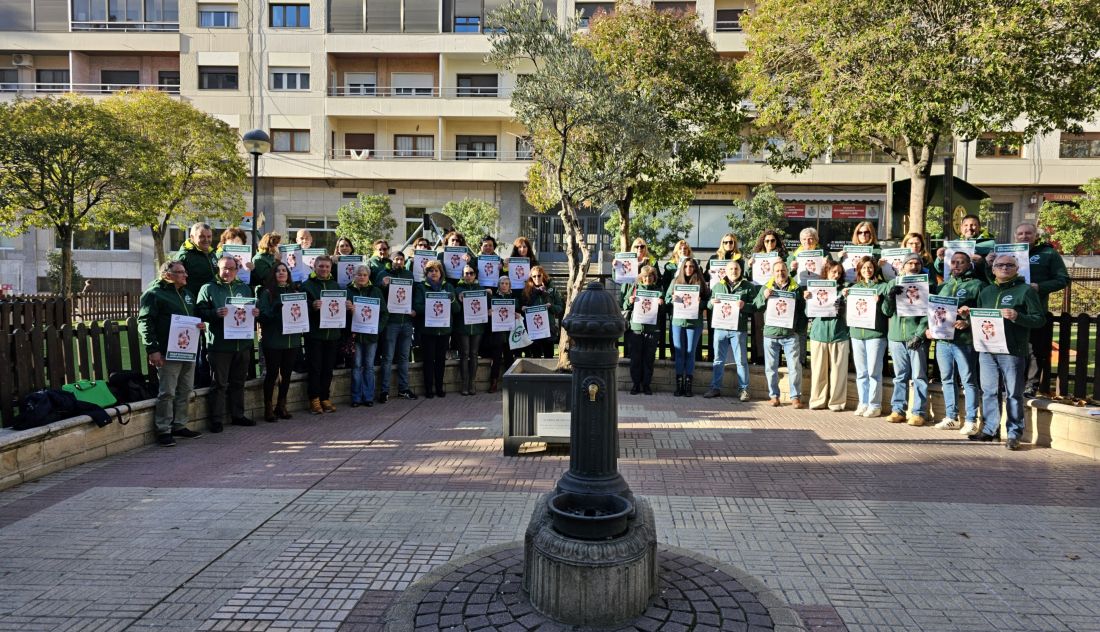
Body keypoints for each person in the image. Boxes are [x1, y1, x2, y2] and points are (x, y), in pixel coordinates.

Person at [964, 254, 1046, 450]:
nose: (1005, 268)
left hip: (1012, 351)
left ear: (1017, 269)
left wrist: (1018, 316)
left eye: (1010, 265)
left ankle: (1013, 434)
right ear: (993, 269)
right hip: (987, 350)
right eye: (1000, 265)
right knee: (989, 392)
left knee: (1013, 394)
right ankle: (990, 431)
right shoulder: (987, 291)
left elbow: (1039, 319)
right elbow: (981, 320)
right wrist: (968, 317)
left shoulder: (1025, 291)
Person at [138, 261, 204, 446]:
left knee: (185, 389)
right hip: (168, 352)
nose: (185, 275)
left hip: (187, 350)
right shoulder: (154, 294)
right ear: (167, 274)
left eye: (185, 271)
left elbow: (194, 317)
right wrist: (153, 349)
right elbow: (144, 322)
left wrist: (200, 325)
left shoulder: (187, 294)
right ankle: (163, 430)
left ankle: (179, 425)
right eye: (180, 272)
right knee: (167, 391)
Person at [195, 255, 259, 433]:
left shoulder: (244, 288)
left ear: (237, 270)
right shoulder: (208, 288)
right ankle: (216, 419)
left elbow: (250, 310)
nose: (227, 272)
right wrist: (215, 313)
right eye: (224, 268)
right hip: (220, 345)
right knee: (219, 384)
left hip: (242, 343)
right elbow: (199, 311)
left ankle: (237, 415)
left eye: (231, 269)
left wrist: (255, 311)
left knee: (239, 382)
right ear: (218, 269)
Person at [1006, 222, 1069, 397]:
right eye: (1020, 234)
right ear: (1015, 237)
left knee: (1035, 350)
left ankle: (1031, 385)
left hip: (1035, 310)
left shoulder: (1048, 253)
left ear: (1036, 235)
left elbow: (1063, 279)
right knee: (1013, 347)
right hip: (1010, 309)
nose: (1024, 236)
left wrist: (1039, 287)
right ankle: (1012, 383)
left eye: (1028, 233)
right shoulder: (1008, 253)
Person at [929, 251, 986, 432]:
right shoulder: (943, 285)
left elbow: (985, 312)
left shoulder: (978, 286)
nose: (957, 265)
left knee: (968, 380)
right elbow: (934, 310)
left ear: (969, 265)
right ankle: (951, 417)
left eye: (961, 262)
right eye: (954, 262)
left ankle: (971, 420)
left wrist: (967, 321)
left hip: (964, 341)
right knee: (947, 379)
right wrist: (930, 328)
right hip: (943, 341)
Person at [882, 252, 935, 426]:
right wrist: (890, 297)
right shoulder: (893, 283)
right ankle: (898, 409)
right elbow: (886, 312)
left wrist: (919, 334)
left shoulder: (926, 285)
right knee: (900, 376)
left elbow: (929, 312)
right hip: (896, 336)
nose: (913, 267)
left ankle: (919, 412)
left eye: (917, 264)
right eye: (909, 263)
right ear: (902, 266)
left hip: (916, 336)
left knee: (919, 375)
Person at [753, 259, 805, 407]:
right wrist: (764, 296)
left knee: (794, 367)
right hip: (771, 334)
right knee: (770, 368)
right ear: (772, 273)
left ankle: (795, 397)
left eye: (783, 270)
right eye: (777, 271)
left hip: (790, 335)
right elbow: (756, 305)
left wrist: (798, 331)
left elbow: (802, 312)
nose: (780, 273)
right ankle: (774, 396)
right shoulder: (766, 287)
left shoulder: (796, 288)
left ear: (787, 271)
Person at [704, 259, 756, 400]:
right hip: (720, 328)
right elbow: (709, 305)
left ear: (740, 271)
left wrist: (744, 305)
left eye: (736, 269)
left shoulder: (748, 286)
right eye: (731, 269)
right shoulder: (718, 286)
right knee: (718, 360)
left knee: (741, 360)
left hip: (738, 329)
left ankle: (744, 390)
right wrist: (711, 303)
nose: (734, 271)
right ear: (725, 272)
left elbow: (756, 306)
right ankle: (715, 388)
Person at [256, 261, 300, 422]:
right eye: (278, 271)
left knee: (287, 374)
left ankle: (281, 405)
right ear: (273, 274)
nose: (281, 273)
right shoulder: (267, 293)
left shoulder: (295, 291)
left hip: (292, 340)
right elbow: (262, 316)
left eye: (284, 270)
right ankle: (268, 407)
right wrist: (275, 309)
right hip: (274, 340)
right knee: (272, 374)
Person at [844, 257, 888, 417]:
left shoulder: (882, 287)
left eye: (870, 267)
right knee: (861, 372)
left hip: (875, 334)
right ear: (859, 271)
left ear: (875, 269)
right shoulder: (854, 287)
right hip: (857, 334)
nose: (867, 271)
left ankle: (875, 404)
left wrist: (880, 301)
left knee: (874, 372)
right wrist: (845, 296)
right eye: (863, 268)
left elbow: (887, 310)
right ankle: (863, 402)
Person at [302, 255, 345, 414]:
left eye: (327, 266)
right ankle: (314, 399)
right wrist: (312, 306)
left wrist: (346, 305)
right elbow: (301, 308)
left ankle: (325, 397)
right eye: (321, 266)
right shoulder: (307, 285)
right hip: (315, 334)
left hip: (332, 334)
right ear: (314, 267)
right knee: (315, 368)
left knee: (328, 368)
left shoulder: (335, 285)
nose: (324, 269)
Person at [805, 259, 849, 411]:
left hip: (839, 334)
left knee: (839, 372)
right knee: (818, 372)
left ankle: (836, 403)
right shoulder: (815, 288)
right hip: (819, 334)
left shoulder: (845, 289)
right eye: (833, 272)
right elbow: (807, 313)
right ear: (826, 272)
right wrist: (808, 299)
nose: (836, 275)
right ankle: (817, 401)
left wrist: (845, 300)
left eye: (839, 273)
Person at [413, 260, 458, 398]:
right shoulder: (421, 287)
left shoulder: (449, 287)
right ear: (426, 273)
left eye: (436, 270)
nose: (434, 273)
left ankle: (439, 388)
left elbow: (457, 309)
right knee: (428, 360)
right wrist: (433, 302)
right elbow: (417, 307)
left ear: (441, 273)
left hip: (444, 331)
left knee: (440, 360)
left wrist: (451, 300)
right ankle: (428, 389)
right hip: (427, 331)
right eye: (431, 271)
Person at [665, 257, 709, 397]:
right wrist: (671, 299)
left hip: (694, 323)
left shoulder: (700, 283)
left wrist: (700, 303)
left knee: (690, 352)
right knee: (679, 353)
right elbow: (666, 299)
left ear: (695, 268)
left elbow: (708, 302)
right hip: (678, 322)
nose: (688, 269)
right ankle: (679, 385)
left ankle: (688, 385)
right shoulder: (675, 281)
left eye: (691, 266)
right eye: (686, 266)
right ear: (682, 268)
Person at [377, 250, 418, 402]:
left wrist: (413, 309)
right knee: (387, 357)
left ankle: (404, 389)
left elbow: (412, 295)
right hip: (391, 322)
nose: (399, 262)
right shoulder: (383, 273)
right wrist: (382, 284)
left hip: (406, 322)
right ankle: (384, 391)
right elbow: (376, 292)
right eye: (396, 259)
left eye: (401, 259)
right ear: (391, 260)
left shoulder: (409, 275)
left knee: (403, 357)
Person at [347, 264, 387, 407]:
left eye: (364, 275)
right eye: (359, 275)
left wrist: (378, 329)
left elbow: (384, 313)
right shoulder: (347, 290)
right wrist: (347, 309)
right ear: (354, 276)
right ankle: (356, 398)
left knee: (369, 366)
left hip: (371, 336)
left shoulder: (375, 291)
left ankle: (368, 397)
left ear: (368, 277)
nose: (362, 277)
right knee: (356, 366)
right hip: (355, 336)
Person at [622, 265, 664, 395]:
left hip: (652, 329)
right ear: (641, 277)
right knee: (635, 358)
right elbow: (624, 305)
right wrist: (629, 301)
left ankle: (646, 385)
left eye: (650, 276)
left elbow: (663, 313)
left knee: (648, 359)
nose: (648, 278)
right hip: (636, 329)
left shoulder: (658, 291)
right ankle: (635, 384)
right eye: (645, 276)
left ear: (654, 277)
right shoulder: (635, 289)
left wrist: (661, 304)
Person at [519, 265, 563, 359]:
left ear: (543, 275)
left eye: (539, 275)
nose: (537, 278)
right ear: (531, 278)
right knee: (536, 357)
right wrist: (523, 309)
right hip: (534, 330)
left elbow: (560, 308)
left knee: (549, 357)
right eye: (534, 276)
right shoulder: (526, 291)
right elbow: (521, 308)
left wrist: (551, 306)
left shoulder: (552, 290)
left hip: (548, 329)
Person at [454, 265, 486, 395]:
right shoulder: (458, 289)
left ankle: (472, 382)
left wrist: (489, 294)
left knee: (474, 354)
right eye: (466, 273)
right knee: (464, 354)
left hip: (477, 327)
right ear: (462, 275)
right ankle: (464, 383)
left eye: (471, 273)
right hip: (463, 327)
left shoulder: (481, 289)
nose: (468, 276)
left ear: (475, 275)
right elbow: (455, 294)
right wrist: (458, 294)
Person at [933, 214, 995, 279]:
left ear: (979, 227)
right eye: (966, 225)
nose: (969, 228)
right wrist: (940, 259)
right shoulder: (952, 245)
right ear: (961, 228)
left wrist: (983, 262)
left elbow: (996, 271)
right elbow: (940, 271)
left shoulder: (990, 245)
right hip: (956, 284)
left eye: (973, 225)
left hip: (978, 284)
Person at [486, 275, 518, 393]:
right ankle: (493, 383)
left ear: (509, 285)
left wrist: (517, 314)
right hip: (497, 334)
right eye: (502, 283)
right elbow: (487, 314)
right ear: (498, 285)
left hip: (510, 334)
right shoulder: (493, 298)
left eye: (506, 283)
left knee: (510, 360)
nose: (504, 285)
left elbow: (518, 311)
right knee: (496, 359)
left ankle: (510, 384)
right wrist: (488, 313)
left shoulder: (514, 297)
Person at [174, 222, 217, 305]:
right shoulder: (184, 256)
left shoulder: (212, 254)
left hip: (210, 303)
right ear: (192, 237)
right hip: (192, 303)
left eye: (209, 236)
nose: (206, 240)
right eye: (202, 236)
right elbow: (175, 282)